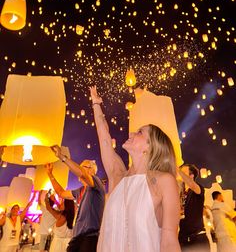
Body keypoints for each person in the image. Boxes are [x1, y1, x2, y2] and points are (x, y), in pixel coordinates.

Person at [90, 86, 181, 252]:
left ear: (150, 147)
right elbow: (103, 135)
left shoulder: (164, 181)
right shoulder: (117, 175)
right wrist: (96, 104)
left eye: (139, 132)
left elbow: (169, 241)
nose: (131, 133)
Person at [45, 152, 105, 252]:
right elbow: (61, 193)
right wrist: (50, 174)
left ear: (91, 170)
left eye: (82, 167)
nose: (78, 170)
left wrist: (62, 157)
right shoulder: (80, 191)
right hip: (77, 237)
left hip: (90, 237)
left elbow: (83, 174)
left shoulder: (97, 183)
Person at [178, 163, 210, 251]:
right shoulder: (181, 193)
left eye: (183, 171)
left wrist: (177, 169)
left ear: (191, 175)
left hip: (198, 239)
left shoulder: (198, 188)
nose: (180, 173)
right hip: (183, 240)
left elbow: (192, 185)